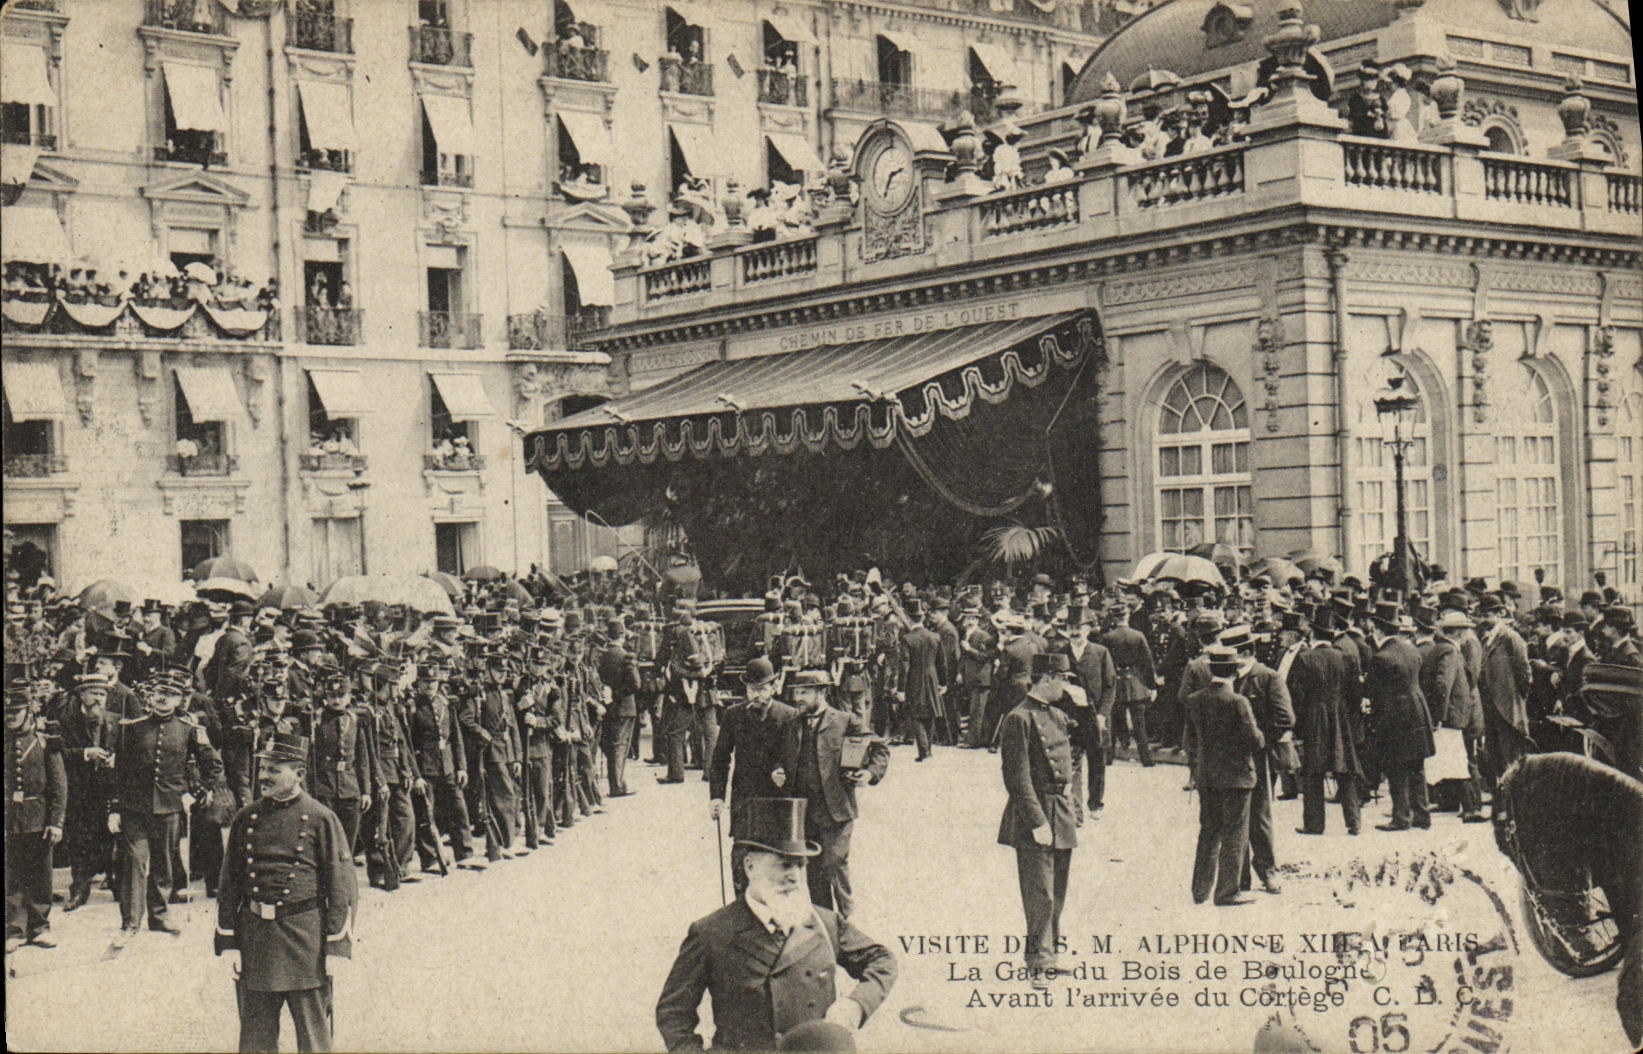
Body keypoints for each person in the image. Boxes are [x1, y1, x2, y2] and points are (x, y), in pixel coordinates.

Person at [656, 797, 897, 1052]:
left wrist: (856, 1005)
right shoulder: (712, 932)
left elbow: (882, 960)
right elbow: (673, 1012)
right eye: (784, 864)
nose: (794, 876)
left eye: (800, 865)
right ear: (750, 867)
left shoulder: (824, 923)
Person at [216, 731, 358, 1054]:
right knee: (255, 1040)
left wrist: (336, 947)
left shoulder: (322, 818)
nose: (263, 776)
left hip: (304, 944)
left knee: (314, 1040)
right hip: (257, 942)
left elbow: (342, 887)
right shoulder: (245, 818)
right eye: (263, 767)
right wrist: (230, 942)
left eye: (274, 768)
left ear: (299, 774)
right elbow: (229, 886)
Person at [109, 664, 223, 946]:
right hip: (134, 808)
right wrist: (114, 807)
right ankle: (130, 923)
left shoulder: (189, 729)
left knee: (163, 864)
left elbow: (213, 765)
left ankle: (158, 916)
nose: (163, 698)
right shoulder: (131, 728)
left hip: (170, 807)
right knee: (135, 861)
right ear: (150, 697)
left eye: (170, 694)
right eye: (159, 693)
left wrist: (196, 793)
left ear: (178, 699)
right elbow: (117, 771)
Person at [780, 670, 888, 919]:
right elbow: (779, 756)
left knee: (835, 863)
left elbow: (879, 747)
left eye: (804, 692)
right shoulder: (792, 723)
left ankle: (848, 918)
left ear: (821, 692)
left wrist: (869, 774)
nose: (798, 697)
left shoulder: (844, 720)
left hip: (836, 809)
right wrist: (778, 768)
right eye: (796, 692)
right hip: (804, 811)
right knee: (814, 870)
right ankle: (826, 921)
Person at [997, 652, 1078, 985]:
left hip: (1060, 809)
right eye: (1063, 680)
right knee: (1038, 893)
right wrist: (1036, 821)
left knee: (1057, 890)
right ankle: (1037, 963)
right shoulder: (1019, 718)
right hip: (1037, 813)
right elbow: (1017, 777)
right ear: (1046, 679)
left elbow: (1087, 749)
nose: (1066, 686)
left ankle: (1051, 953)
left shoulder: (1058, 715)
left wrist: (1085, 709)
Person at [709, 657, 800, 897]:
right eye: (751, 689)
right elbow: (720, 758)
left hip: (776, 801)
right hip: (745, 802)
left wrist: (782, 770)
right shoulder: (733, 715)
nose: (756, 694)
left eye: (762, 689)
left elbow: (793, 755)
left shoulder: (788, 716)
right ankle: (742, 917)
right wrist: (717, 797)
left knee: (777, 863)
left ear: (773, 687)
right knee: (741, 862)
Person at [1184, 645, 1264, 906]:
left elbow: (1192, 739)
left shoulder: (1195, 699)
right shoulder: (1239, 702)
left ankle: (1200, 890)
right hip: (1237, 778)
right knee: (1234, 833)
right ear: (1235, 671)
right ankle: (1227, 892)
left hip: (1207, 777)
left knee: (1208, 831)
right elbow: (1254, 740)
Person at [1288, 607, 1363, 835]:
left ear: (1313, 634)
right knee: (1345, 769)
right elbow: (1355, 693)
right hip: (1340, 718)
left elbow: (1297, 698)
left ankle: (1314, 824)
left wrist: (1297, 729)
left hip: (1314, 719)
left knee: (1313, 771)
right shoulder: (1345, 658)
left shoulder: (1305, 659)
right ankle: (1354, 822)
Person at [5, 686, 66, 952]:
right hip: (10, 819)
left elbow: (59, 786)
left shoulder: (45, 742)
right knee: (13, 874)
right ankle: (16, 929)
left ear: (28, 711)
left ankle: (40, 927)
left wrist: (55, 822)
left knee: (41, 874)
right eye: (7, 713)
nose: (10, 717)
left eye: (15, 712)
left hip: (39, 818)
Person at [1365, 604, 1436, 831]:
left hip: (1395, 717)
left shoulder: (1381, 657)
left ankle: (1401, 817)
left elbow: (1374, 693)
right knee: (1417, 767)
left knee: (1396, 767)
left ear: (1378, 630)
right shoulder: (1412, 650)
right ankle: (1422, 815)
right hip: (1417, 712)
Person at [58, 671, 122, 911]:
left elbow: (130, 752)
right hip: (80, 791)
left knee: (113, 839)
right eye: (94, 693)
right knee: (79, 842)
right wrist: (86, 753)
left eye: (103, 694)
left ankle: (119, 887)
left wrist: (117, 758)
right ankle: (80, 890)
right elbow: (59, 754)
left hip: (109, 789)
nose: (99, 699)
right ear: (82, 695)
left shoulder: (116, 721)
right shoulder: (66, 721)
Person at [1059, 608, 1117, 817]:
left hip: (1094, 716)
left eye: (1079, 628)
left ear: (1088, 629)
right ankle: (1074, 807)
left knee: (1096, 761)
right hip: (1070, 716)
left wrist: (1102, 715)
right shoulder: (1061, 652)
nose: (1075, 632)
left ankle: (1095, 804)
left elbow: (1110, 686)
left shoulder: (1100, 652)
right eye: (1071, 628)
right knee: (1071, 761)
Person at [1476, 594, 1533, 790]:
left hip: (1507, 708)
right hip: (1490, 707)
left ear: (1500, 614)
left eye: (1488, 615)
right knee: (1496, 755)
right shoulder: (1486, 639)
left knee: (1511, 757)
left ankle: (1515, 800)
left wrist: (1516, 699)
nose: (1484, 620)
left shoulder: (1510, 638)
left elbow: (1524, 672)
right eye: (1482, 615)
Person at [1100, 610, 1158, 766]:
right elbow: (1147, 662)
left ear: (1114, 618)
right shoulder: (1138, 635)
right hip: (1135, 682)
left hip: (1116, 683)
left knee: (1112, 723)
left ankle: (1108, 757)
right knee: (1139, 724)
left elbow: (1103, 663)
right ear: (1127, 617)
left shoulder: (1107, 637)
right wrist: (1151, 686)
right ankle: (1146, 759)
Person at [896, 599, 945, 761]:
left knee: (916, 714)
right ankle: (928, 749)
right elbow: (941, 662)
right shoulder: (935, 637)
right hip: (932, 678)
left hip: (914, 679)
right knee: (929, 713)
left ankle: (924, 751)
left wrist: (901, 689)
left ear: (909, 618)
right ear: (923, 618)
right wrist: (943, 683)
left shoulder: (907, 639)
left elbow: (904, 666)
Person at [596, 618, 641, 797]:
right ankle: (617, 785)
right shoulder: (626, 656)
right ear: (622, 636)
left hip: (607, 706)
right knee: (620, 746)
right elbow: (635, 684)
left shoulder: (602, 655)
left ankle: (618, 783)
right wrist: (617, 694)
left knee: (611, 745)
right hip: (624, 708)